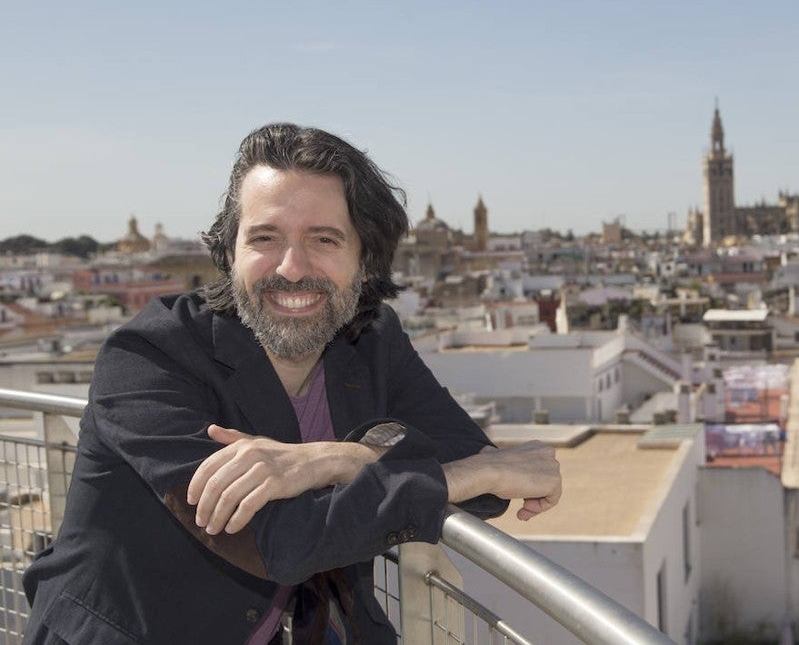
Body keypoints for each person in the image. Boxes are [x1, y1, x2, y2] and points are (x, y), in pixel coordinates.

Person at [22, 123, 561, 644]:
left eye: (324, 239)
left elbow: (480, 479)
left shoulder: (373, 340)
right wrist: (404, 462)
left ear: (365, 261)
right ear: (230, 252)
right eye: (265, 237)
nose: (293, 267)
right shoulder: (148, 360)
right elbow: (273, 539)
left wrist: (343, 459)